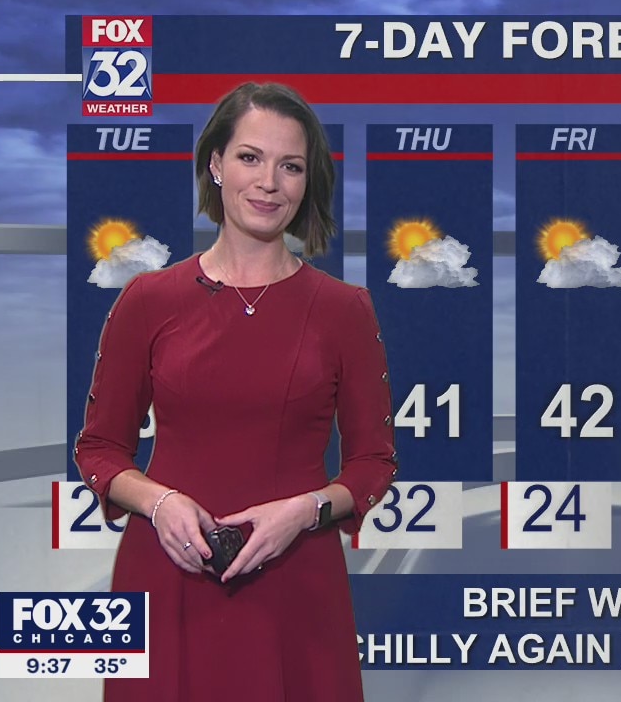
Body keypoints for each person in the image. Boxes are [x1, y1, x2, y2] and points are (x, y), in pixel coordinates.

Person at [74, 81, 396, 701]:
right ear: (216, 164)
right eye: (251, 158)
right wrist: (160, 504)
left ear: (307, 182)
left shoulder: (344, 310)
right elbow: (100, 450)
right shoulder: (148, 300)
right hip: (169, 574)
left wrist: (306, 511)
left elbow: (372, 463)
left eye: (290, 166)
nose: (269, 183)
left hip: (296, 582)